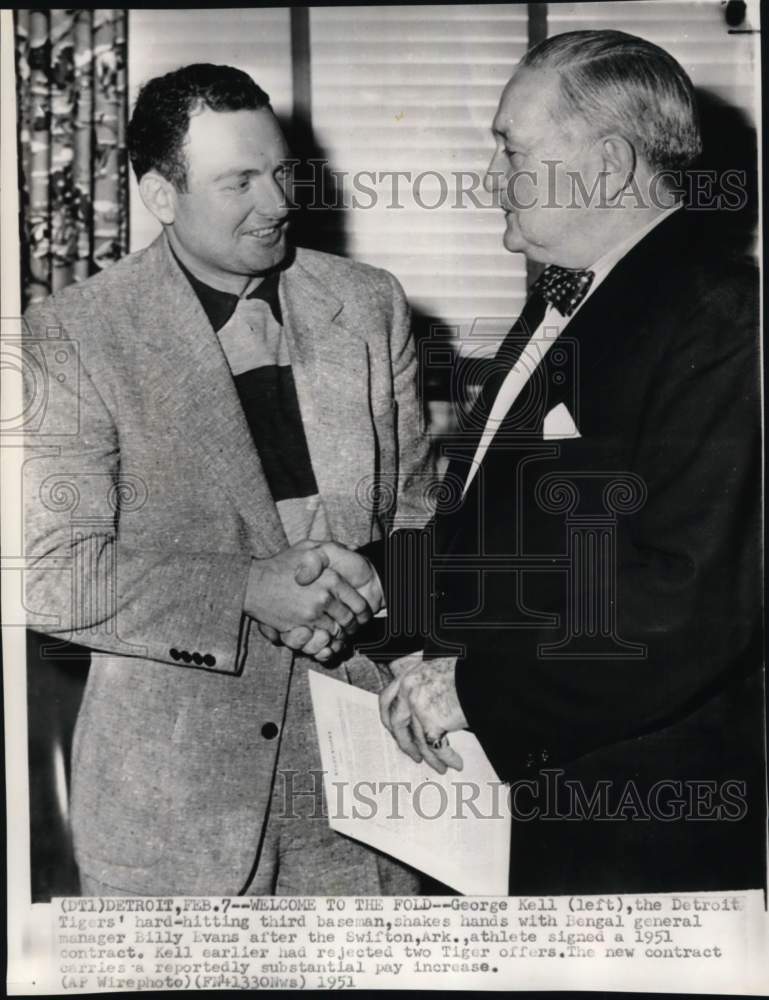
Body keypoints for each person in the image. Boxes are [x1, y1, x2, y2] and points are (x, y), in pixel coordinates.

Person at [292, 30, 764, 894]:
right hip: (510, 818)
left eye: (510, 148)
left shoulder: (723, 321)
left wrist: (474, 691)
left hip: (627, 834)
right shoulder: (568, 294)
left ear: (609, 164)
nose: (488, 178)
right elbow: (509, 534)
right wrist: (377, 579)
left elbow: (683, 601)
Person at [22, 63, 432, 896]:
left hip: (368, 798)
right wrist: (247, 589)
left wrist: (373, 594)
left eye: (281, 170)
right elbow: (53, 576)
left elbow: (422, 508)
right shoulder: (74, 333)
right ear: (160, 195)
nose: (278, 200)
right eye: (238, 181)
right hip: (174, 810)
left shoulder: (369, 302)